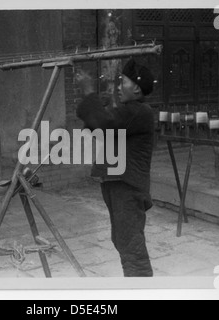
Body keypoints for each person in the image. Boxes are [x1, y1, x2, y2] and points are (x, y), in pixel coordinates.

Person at [75, 58, 156, 277]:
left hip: (127, 188)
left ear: (136, 88)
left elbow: (105, 124)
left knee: (132, 249)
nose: (119, 88)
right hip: (118, 186)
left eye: (124, 83)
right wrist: (100, 105)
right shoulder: (129, 112)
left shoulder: (140, 111)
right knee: (124, 242)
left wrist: (90, 92)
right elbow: (101, 130)